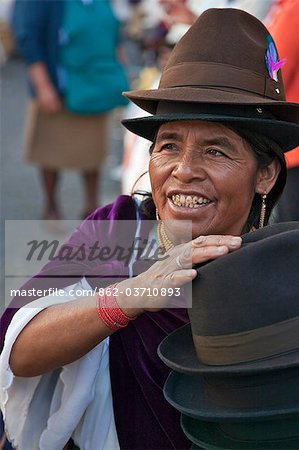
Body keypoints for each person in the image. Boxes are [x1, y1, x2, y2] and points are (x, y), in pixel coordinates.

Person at [1, 7, 299, 450]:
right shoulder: (113, 229)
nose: (184, 170)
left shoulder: (284, 268)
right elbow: (15, 349)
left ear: (265, 174)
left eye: (216, 151)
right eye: (168, 146)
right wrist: (131, 296)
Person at [11, 0, 130, 220]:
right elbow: (28, 37)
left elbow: (114, 34)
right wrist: (44, 87)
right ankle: (51, 206)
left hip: (95, 85)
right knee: (49, 150)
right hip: (57, 88)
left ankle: (91, 207)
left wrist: (117, 74)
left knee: (93, 152)